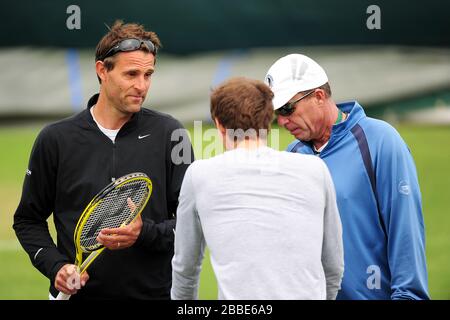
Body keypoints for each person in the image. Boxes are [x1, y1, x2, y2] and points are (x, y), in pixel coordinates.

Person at [13, 20, 193, 300]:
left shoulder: (171, 133)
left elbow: (190, 221)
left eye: (148, 74)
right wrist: (56, 267)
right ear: (102, 71)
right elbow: (28, 220)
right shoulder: (55, 139)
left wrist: (143, 232)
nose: (141, 85)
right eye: (131, 74)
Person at [264, 53, 430, 300]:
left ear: (319, 96)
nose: (283, 120)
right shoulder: (292, 155)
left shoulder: (380, 141)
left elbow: (405, 235)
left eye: (288, 108)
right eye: (277, 112)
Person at [171, 77, 344, 300]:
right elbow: (334, 266)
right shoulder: (316, 169)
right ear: (267, 123)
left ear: (219, 125)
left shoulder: (198, 175)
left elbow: (185, 269)